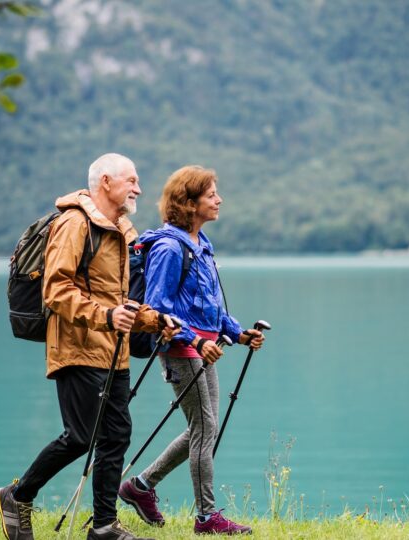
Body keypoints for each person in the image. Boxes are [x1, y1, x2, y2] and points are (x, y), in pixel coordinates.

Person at [0, 153, 180, 540]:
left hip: (113, 351)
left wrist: (156, 321)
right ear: (106, 182)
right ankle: (17, 495)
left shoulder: (119, 231)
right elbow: (56, 290)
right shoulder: (74, 224)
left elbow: (120, 301)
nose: (139, 189)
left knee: (117, 435)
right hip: (76, 347)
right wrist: (107, 318)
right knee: (80, 436)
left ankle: (103, 526)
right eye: (131, 180)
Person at [118, 165, 265, 535]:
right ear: (189, 201)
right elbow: (157, 309)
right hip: (181, 350)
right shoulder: (168, 248)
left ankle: (140, 486)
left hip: (204, 348)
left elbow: (209, 307)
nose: (219, 199)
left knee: (203, 428)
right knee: (204, 427)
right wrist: (195, 341)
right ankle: (207, 517)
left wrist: (238, 333)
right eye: (211, 194)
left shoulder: (200, 244)